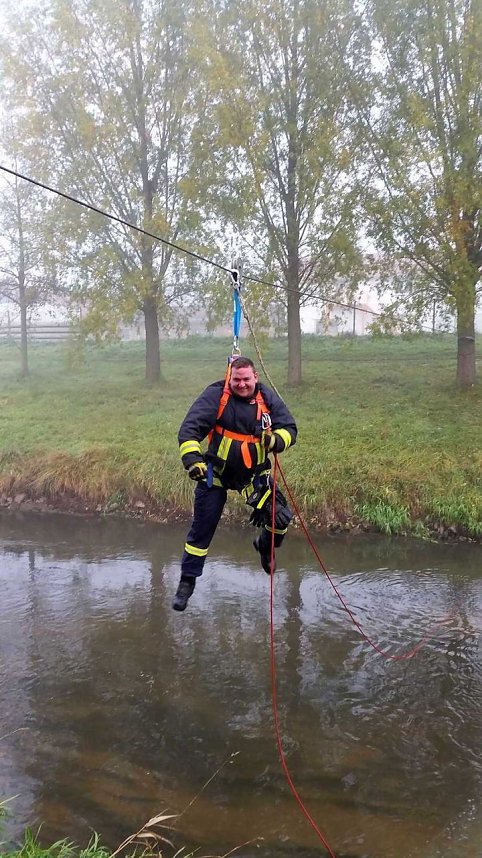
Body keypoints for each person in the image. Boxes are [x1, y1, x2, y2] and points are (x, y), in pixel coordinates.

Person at [173, 356, 297, 611]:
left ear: (255, 378)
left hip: (254, 475)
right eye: (236, 379)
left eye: (246, 379)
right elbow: (189, 430)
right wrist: (193, 461)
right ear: (230, 378)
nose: (241, 384)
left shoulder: (267, 398)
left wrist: (276, 441)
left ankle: (265, 546)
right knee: (202, 529)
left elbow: (290, 429)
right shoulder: (216, 396)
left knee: (280, 518)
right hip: (216, 473)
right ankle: (187, 581)